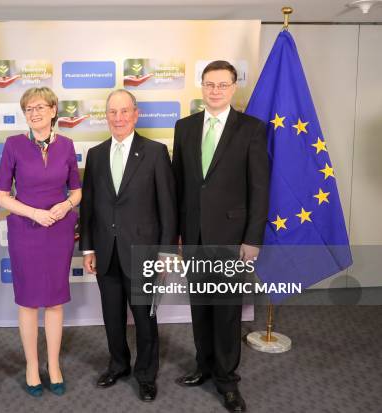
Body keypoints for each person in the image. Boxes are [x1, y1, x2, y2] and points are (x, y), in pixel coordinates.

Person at [172, 61, 270, 412]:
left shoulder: (252, 129)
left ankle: (227, 380)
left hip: (232, 237)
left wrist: (253, 239)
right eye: (209, 84)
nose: (215, 90)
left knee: (227, 311)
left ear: (233, 88)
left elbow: (260, 189)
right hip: (195, 235)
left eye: (222, 84)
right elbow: (178, 186)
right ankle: (204, 366)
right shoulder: (184, 128)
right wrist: (177, 236)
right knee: (200, 308)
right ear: (202, 86)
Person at [79, 89, 177, 402]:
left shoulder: (155, 152)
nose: (118, 118)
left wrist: (165, 252)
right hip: (106, 252)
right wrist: (89, 248)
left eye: (124, 112)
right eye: (112, 112)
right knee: (111, 315)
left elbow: (168, 208)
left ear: (136, 115)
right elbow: (89, 207)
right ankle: (118, 364)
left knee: (145, 319)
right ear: (105, 116)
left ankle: (146, 374)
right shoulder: (95, 154)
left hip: (144, 252)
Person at [0, 87, 82, 397]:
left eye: (40, 107)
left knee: (55, 300)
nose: (35, 112)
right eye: (29, 108)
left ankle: (54, 364)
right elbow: (1, 194)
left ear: (54, 110)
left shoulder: (68, 145)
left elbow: (77, 190)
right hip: (26, 231)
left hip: (58, 231)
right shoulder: (14, 145)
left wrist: (66, 205)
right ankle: (32, 366)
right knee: (29, 302)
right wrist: (34, 212)